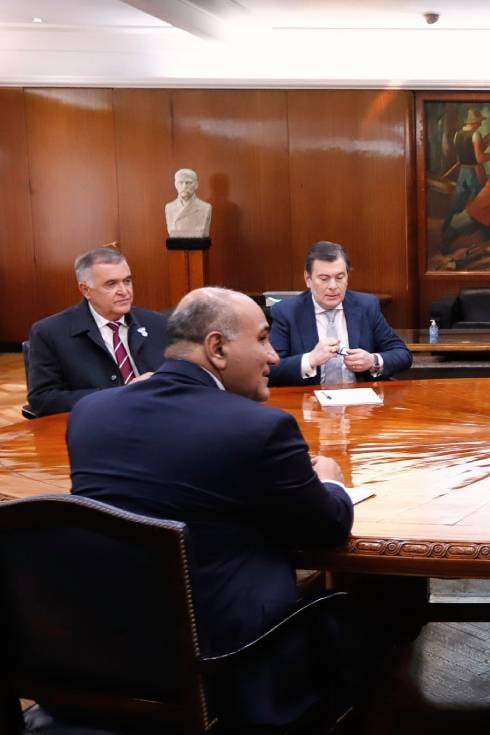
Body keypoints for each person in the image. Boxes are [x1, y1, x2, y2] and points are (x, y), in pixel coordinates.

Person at [67, 287, 354, 726]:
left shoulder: (91, 413)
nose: (275, 356)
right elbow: (327, 528)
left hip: (102, 646)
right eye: (261, 339)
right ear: (217, 347)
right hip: (224, 656)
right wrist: (331, 483)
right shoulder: (260, 428)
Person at [26, 247, 167, 417]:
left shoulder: (157, 323)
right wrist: (118, 394)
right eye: (111, 284)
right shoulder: (50, 333)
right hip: (100, 422)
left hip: (158, 416)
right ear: (85, 290)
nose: (124, 291)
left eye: (127, 281)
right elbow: (43, 399)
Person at [269, 241, 412, 386]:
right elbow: (269, 369)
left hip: (360, 402)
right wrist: (310, 360)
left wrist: (372, 361)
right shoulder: (286, 312)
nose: (333, 286)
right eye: (324, 279)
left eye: (339, 277)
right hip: (309, 401)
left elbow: (402, 354)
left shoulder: (366, 306)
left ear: (347, 277)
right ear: (308, 279)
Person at [441, 108, 490, 230]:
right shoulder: (475, 134)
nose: (480, 124)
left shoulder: (457, 134)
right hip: (474, 173)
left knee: (457, 203)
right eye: (479, 121)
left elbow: (467, 156)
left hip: (463, 173)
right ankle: (485, 232)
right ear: (474, 122)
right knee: (481, 203)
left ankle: (445, 227)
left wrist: (485, 141)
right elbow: (479, 159)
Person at [164, 168, 212, 238]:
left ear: (196, 185)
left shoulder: (205, 208)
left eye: (188, 182)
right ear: (175, 185)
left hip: (198, 245)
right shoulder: (169, 207)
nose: (184, 186)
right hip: (177, 246)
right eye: (180, 182)